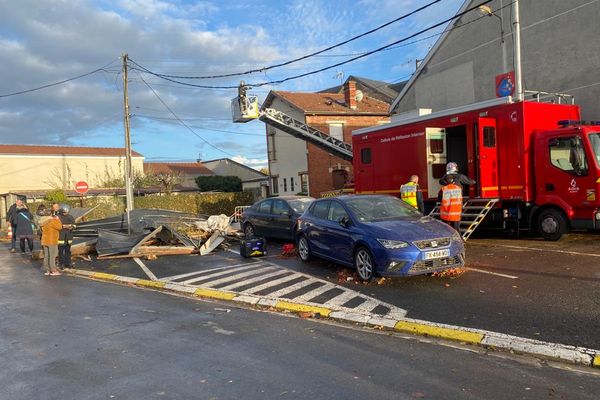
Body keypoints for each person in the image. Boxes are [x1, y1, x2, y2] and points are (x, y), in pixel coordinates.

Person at [40, 209, 63, 276]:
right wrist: (57, 219)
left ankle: (47, 270)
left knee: (46, 256)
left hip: (44, 241)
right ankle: (53, 270)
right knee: (52, 256)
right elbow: (60, 227)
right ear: (51, 214)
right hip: (52, 240)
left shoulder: (42, 221)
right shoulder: (51, 221)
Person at [57, 204, 76, 269]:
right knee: (61, 252)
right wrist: (63, 226)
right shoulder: (58, 217)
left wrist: (71, 227)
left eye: (66, 212)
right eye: (64, 212)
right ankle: (61, 264)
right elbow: (57, 226)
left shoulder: (70, 217)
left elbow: (74, 225)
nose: (65, 213)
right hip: (61, 237)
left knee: (68, 251)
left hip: (69, 237)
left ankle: (68, 263)